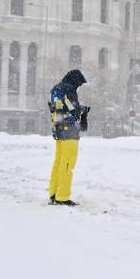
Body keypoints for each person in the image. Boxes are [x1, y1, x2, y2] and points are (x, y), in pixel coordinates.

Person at [48, 69, 89, 205]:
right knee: (68, 164)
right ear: (75, 81)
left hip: (59, 127)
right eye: (79, 84)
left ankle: (54, 193)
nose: (78, 87)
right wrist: (82, 110)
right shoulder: (69, 89)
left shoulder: (56, 89)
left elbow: (58, 107)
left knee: (59, 162)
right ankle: (63, 197)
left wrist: (78, 109)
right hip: (69, 129)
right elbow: (73, 109)